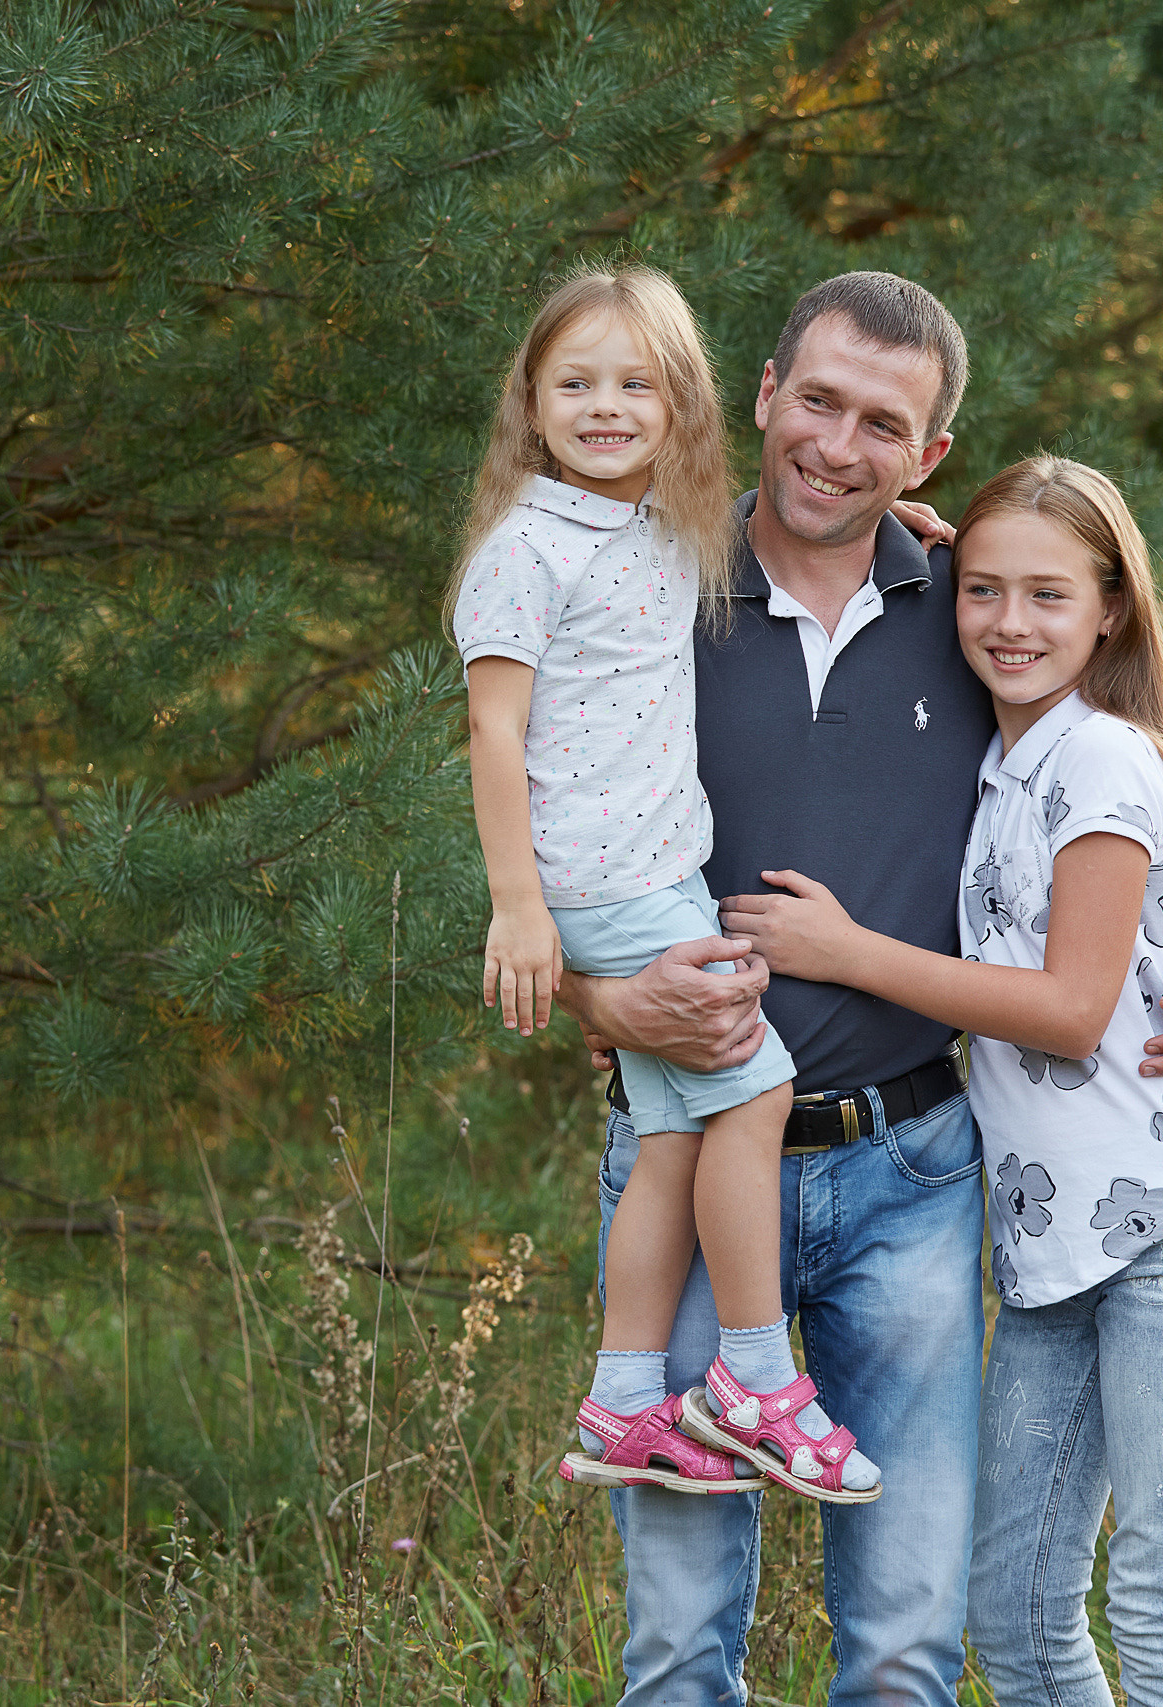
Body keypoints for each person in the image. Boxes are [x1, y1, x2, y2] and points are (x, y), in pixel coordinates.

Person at [555, 272, 1163, 1706]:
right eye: (818, 400)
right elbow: (536, 884)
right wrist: (605, 1003)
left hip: (918, 1172)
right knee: (679, 1641)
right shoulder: (633, 600)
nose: (839, 444)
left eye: (886, 423)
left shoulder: (972, 604)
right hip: (687, 1157)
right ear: (762, 395)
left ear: (926, 455)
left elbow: (1109, 806)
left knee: (906, 1645)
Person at [723, 456, 1163, 1706]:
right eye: (981, 592)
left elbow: (1077, 1013)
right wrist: (908, 528)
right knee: (1017, 1620)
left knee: (1160, 1610)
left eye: (1046, 596)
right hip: (1048, 1256)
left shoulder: (1102, 763)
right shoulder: (1003, 755)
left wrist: (848, 954)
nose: (1009, 624)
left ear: (1110, 612)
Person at [450, 267, 878, 1504]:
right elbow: (491, 733)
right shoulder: (526, 547)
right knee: (760, 1089)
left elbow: (798, 522)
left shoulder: (652, 526)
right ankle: (752, 1374)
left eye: (636, 383)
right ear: (530, 403)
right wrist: (520, 907)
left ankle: (626, 1399)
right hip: (608, 878)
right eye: (574, 382)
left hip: (650, 870)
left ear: (683, 405)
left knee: (675, 1136)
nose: (604, 405)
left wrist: (919, 526)